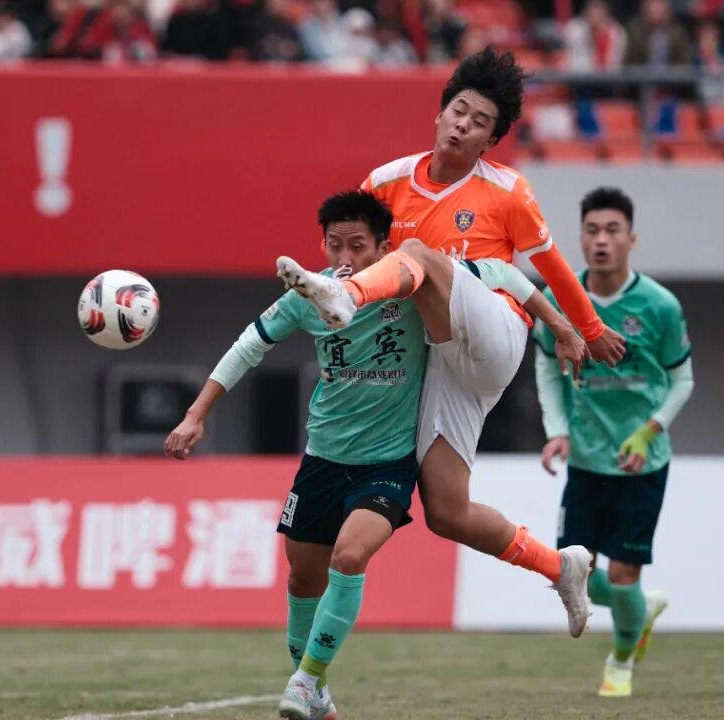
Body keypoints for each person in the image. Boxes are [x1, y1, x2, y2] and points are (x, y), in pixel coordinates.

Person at [164, 189, 582, 720]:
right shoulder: (308, 293)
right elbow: (249, 345)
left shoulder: (408, 279)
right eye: (334, 245)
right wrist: (196, 414)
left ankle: (305, 681)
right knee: (302, 578)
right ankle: (317, 692)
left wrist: (559, 324)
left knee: (350, 556)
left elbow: (505, 275)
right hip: (322, 458)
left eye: (357, 246)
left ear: (383, 247)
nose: (344, 257)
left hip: (386, 464)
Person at [274, 46, 627, 646]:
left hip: (495, 336)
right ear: (439, 114)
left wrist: (585, 329)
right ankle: (560, 567)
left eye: (480, 122)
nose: (464, 125)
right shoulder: (386, 182)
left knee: (417, 256)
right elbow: (352, 245)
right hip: (440, 355)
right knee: (446, 511)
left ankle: (347, 298)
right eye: (459, 111)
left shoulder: (508, 191)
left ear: (490, 141)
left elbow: (549, 269)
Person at [533, 187, 694, 698]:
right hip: (585, 459)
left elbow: (683, 380)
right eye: (592, 231)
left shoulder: (659, 305)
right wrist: (557, 430)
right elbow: (546, 366)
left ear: (631, 239)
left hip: (640, 464)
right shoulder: (558, 299)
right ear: (581, 239)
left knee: (623, 576)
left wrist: (648, 432)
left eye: (612, 231)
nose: (601, 240)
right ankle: (642, 609)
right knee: (571, 575)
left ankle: (621, 660)